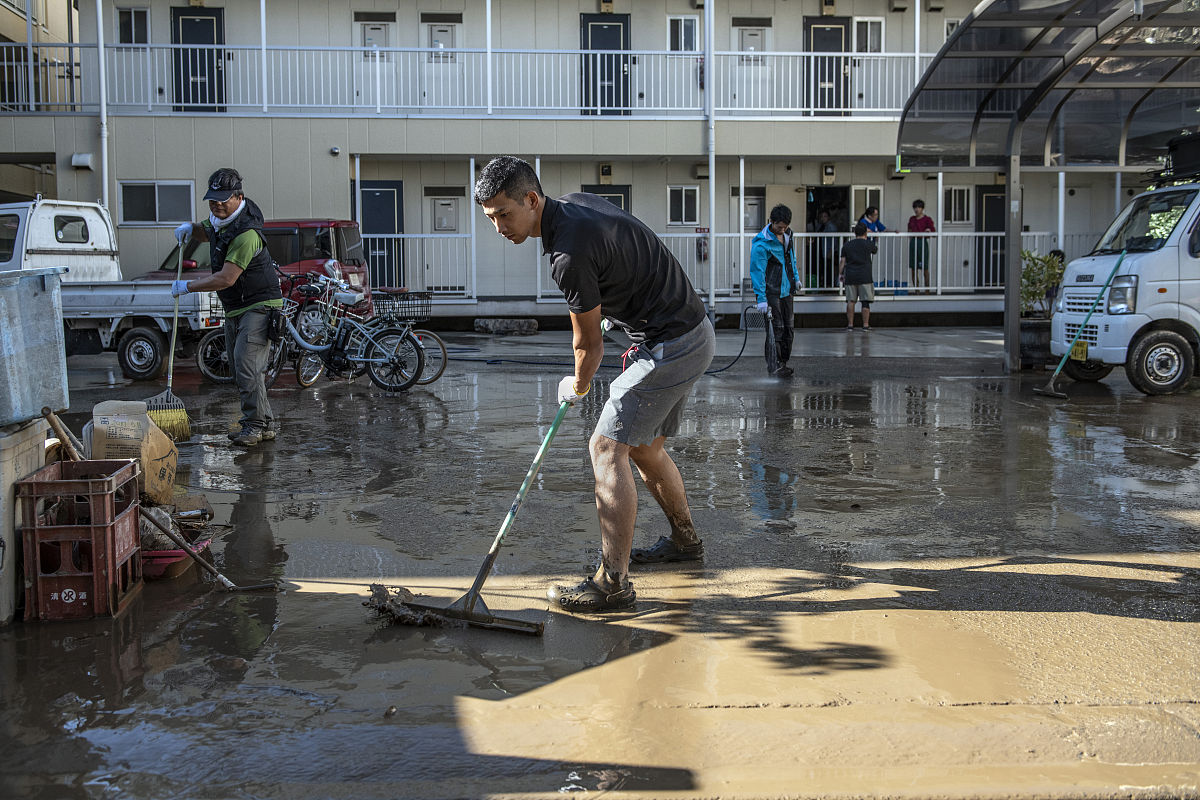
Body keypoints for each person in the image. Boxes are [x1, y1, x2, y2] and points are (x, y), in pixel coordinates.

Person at [473, 156, 715, 614]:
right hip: (688, 330)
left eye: (504, 214)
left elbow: (586, 346)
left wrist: (578, 386)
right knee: (644, 448)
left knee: (605, 448)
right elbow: (623, 263)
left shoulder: (568, 254)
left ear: (531, 199)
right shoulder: (574, 207)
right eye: (490, 218)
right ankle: (685, 543)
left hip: (673, 343)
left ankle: (613, 584)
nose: (499, 227)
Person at [171, 168, 282, 447]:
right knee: (238, 367)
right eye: (212, 199)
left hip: (259, 304)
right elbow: (207, 231)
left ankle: (253, 426)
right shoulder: (221, 221)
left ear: (238, 197)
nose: (217, 204)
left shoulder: (246, 234)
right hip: (236, 305)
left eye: (223, 199)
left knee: (247, 365)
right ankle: (265, 423)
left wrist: (188, 287)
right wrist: (190, 230)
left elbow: (227, 277)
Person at [750, 204, 800, 377]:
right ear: (772, 222)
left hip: (787, 291)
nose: (783, 229)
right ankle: (774, 366)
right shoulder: (762, 244)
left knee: (789, 329)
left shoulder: (788, 236)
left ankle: (783, 362)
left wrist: (797, 278)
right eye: (780, 227)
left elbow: (791, 258)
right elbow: (757, 271)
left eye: (785, 226)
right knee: (775, 329)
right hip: (772, 292)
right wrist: (761, 298)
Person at [840, 222, 878, 331]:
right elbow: (875, 250)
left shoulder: (847, 245)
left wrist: (840, 274)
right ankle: (865, 325)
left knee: (850, 301)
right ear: (865, 232)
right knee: (865, 301)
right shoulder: (868, 244)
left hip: (851, 275)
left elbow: (842, 262)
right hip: (865, 276)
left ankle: (850, 325)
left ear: (854, 233)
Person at [907, 199, 936, 294]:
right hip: (913, 243)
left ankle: (927, 290)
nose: (917, 209)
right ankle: (917, 290)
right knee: (913, 268)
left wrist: (928, 231)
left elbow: (933, 231)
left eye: (919, 207)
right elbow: (909, 231)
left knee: (925, 267)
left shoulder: (927, 219)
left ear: (922, 208)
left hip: (922, 242)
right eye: (915, 207)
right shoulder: (912, 219)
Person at [815, 209, 838, 288]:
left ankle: (829, 286)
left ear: (828, 217)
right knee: (823, 268)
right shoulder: (820, 226)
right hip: (821, 250)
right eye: (821, 216)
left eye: (825, 216)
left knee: (829, 269)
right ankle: (823, 285)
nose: (823, 218)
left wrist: (831, 251)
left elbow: (834, 241)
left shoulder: (831, 227)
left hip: (828, 251)